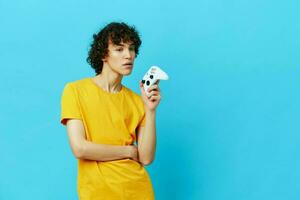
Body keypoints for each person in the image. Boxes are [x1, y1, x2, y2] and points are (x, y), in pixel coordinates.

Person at [60, 22, 161, 199]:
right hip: (98, 193)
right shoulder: (75, 91)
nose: (128, 55)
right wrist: (128, 151)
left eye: (131, 49)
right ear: (103, 54)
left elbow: (145, 158)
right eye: (119, 49)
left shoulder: (137, 101)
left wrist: (150, 110)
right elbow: (80, 148)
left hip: (138, 190)